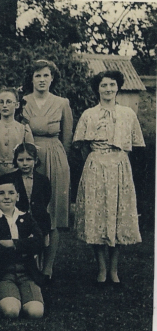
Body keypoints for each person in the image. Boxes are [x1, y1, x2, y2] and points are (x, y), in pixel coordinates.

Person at [72, 70, 145, 286]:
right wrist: (97, 159)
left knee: (117, 215)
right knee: (97, 215)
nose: (108, 89)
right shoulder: (89, 114)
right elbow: (81, 145)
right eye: (104, 85)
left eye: (112, 85)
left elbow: (135, 145)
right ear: (97, 88)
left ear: (118, 87)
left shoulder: (128, 114)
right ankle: (101, 268)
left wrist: (118, 159)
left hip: (120, 167)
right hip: (95, 166)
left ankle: (114, 269)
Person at [22, 59, 73, 281]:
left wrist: (60, 158)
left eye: (46, 75)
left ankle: (48, 266)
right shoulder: (22, 102)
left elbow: (68, 138)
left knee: (53, 212)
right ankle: (31, 262)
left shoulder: (62, 103)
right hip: (28, 156)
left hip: (55, 156)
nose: (42, 80)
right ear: (31, 79)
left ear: (52, 78)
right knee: (29, 208)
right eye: (37, 75)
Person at [0, 176, 44, 319]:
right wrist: (26, 244)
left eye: (11, 193)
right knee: (11, 311)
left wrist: (13, 243)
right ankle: (8, 296)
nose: (7, 197)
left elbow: (39, 242)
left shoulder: (26, 217)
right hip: (3, 273)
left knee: (36, 312)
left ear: (18, 196)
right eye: (1, 193)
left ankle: (28, 296)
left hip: (27, 272)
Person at [0, 143, 52, 268]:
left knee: (38, 247)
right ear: (15, 161)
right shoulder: (10, 179)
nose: (25, 163)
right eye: (20, 160)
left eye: (29, 159)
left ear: (36, 160)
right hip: (18, 221)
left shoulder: (42, 180)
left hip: (38, 220)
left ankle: (39, 272)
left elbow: (46, 199)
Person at [0, 87, 34, 178]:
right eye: (1, 102)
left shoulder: (23, 129)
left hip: (16, 171)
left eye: (9, 102)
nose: (4, 105)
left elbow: (29, 154)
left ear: (17, 105)